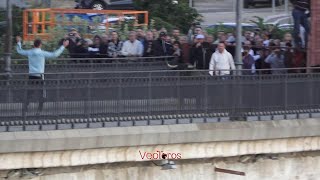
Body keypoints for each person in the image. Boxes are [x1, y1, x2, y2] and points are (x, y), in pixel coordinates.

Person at [16, 36, 69, 115]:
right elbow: (54, 55)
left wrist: (19, 42)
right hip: (40, 76)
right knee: (41, 95)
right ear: (40, 45)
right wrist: (63, 46)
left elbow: (19, 51)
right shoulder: (42, 53)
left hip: (31, 76)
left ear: (34, 45)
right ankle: (39, 111)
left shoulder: (29, 52)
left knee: (29, 93)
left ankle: (25, 109)